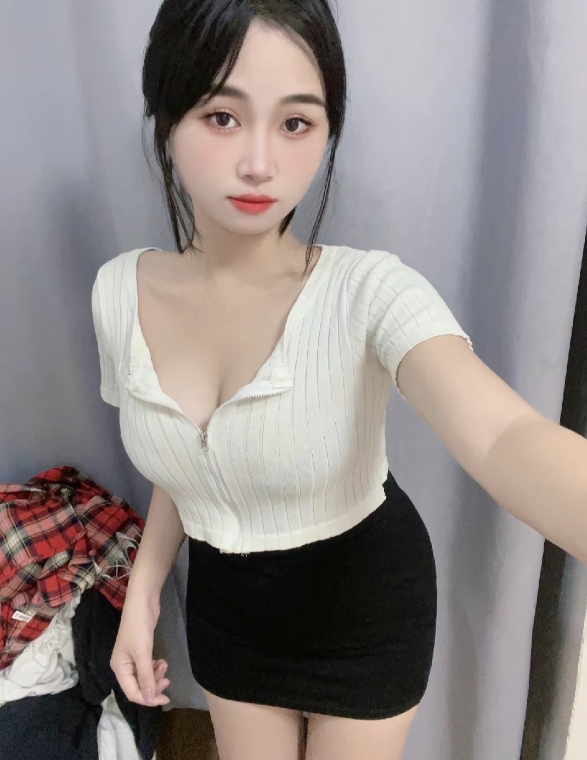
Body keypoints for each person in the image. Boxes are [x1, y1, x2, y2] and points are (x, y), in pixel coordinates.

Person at [90, 1, 587, 758]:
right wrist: (144, 594)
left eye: (296, 123)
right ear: (166, 117)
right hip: (230, 617)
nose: (260, 163)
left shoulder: (369, 292)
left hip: (364, 613)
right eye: (222, 117)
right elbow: (184, 461)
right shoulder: (118, 293)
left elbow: (501, 435)